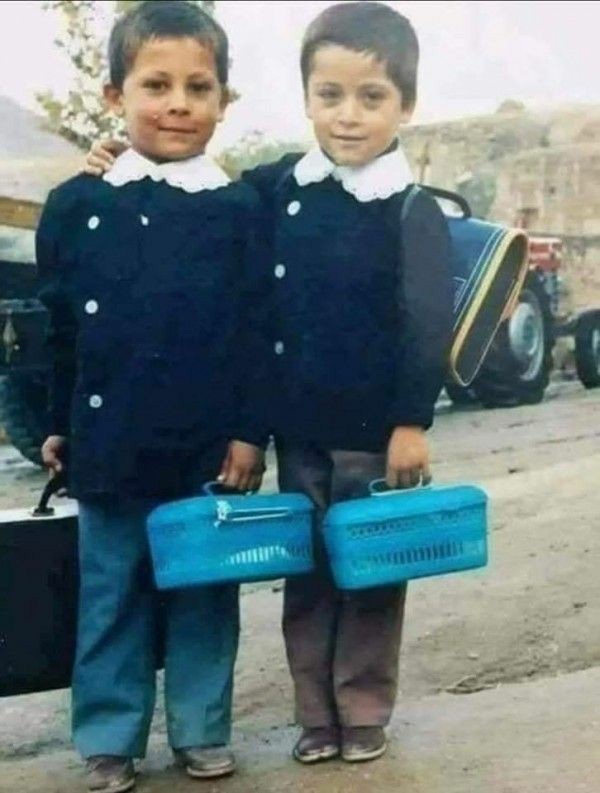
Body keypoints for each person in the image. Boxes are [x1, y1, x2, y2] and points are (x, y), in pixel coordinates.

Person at [86, 0, 453, 769]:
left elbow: (427, 324)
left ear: (407, 105)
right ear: (307, 98)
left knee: (372, 573)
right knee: (307, 575)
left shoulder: (410, 209)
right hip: (300, 434)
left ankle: (362, 710)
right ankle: (314, 716)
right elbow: (193, 183)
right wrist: (116, 161)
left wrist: (411, 421)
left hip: (375, 437)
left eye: (372, 97)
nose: (348, 115)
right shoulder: (280, 186)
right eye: (330, 95)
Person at [37, 2, 267, 791]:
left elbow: (256, 332)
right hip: (107, 444)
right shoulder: (78, 205)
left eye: (199, 87)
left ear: (224, 101)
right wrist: (55, 423)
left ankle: (202, 730)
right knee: (112, 596)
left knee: (204, 593)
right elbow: (60, 327)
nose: (178, 104)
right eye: (155, 85)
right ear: (115, 96)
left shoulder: (239, 209)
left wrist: (249, 433)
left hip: (205, 451)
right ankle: (109, 738)